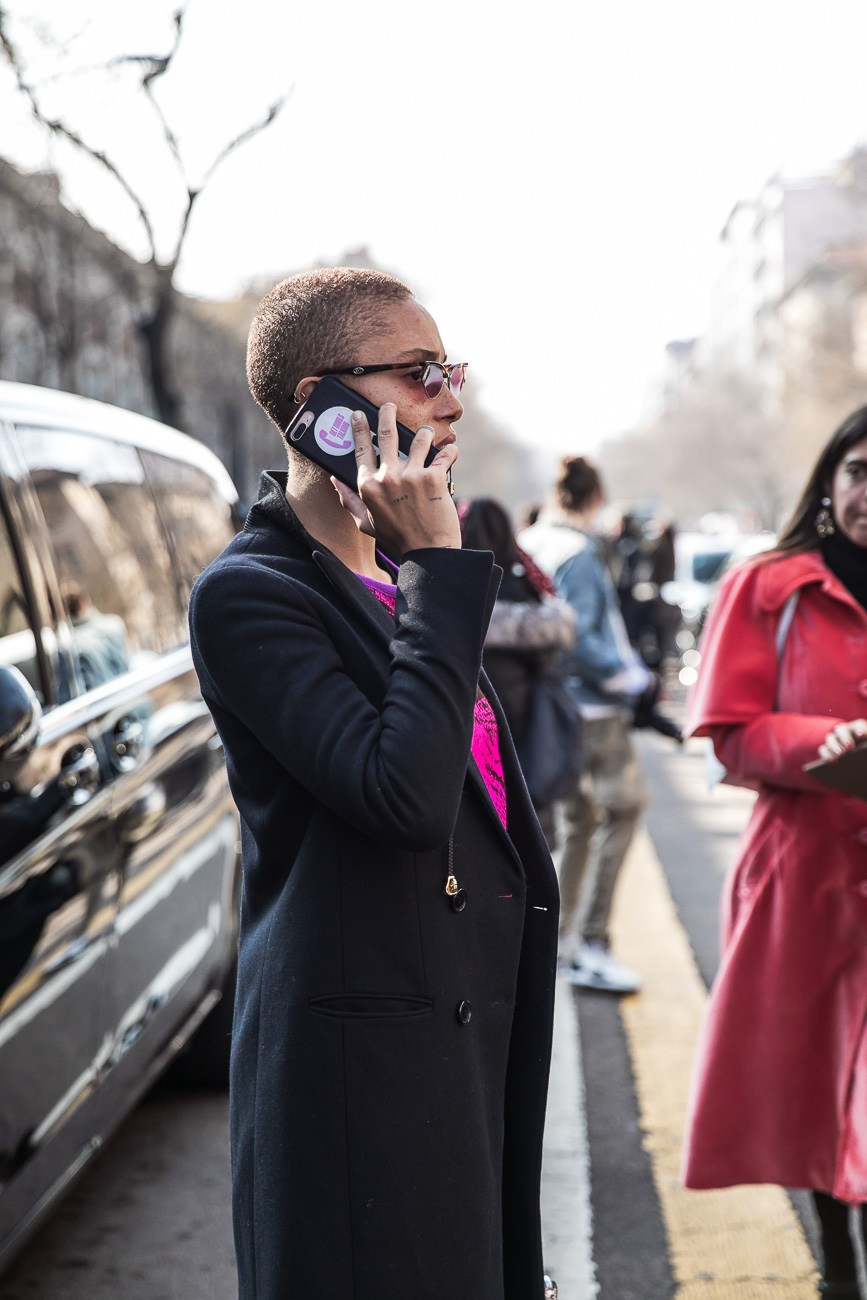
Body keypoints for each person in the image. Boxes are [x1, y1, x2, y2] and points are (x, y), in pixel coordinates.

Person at [188, 267, 560, 1300]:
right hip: (364, 1083)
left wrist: (421, 573)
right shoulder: (251, 594)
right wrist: (438, 570)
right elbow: (403, 796)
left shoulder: (399, 577)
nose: (451, 397)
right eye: (420, 371)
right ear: (326, 408)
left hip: (464, 1039)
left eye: (453, 371)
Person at [681, 408, 867, 1299]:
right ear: (829, 485)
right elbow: (730, 736)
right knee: (807, 1078)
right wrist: (827, 745)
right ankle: (835, 1256)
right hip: (805, 868)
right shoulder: (767, 586)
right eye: (859, 470)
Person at [520, 456, 653, 995]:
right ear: (594, 497)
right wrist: (628, 677)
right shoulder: (577, 551)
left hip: (546, 704)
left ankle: (557, 940)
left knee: (574, 824)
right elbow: (576, 635)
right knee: (618, 810)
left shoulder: (532, 540)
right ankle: (586, 942)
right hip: (590, 709)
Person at [458, 496, 577, 838]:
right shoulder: (524, 583)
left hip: (473, 715)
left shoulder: (455, 585)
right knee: (529, 823)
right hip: (526, 714)